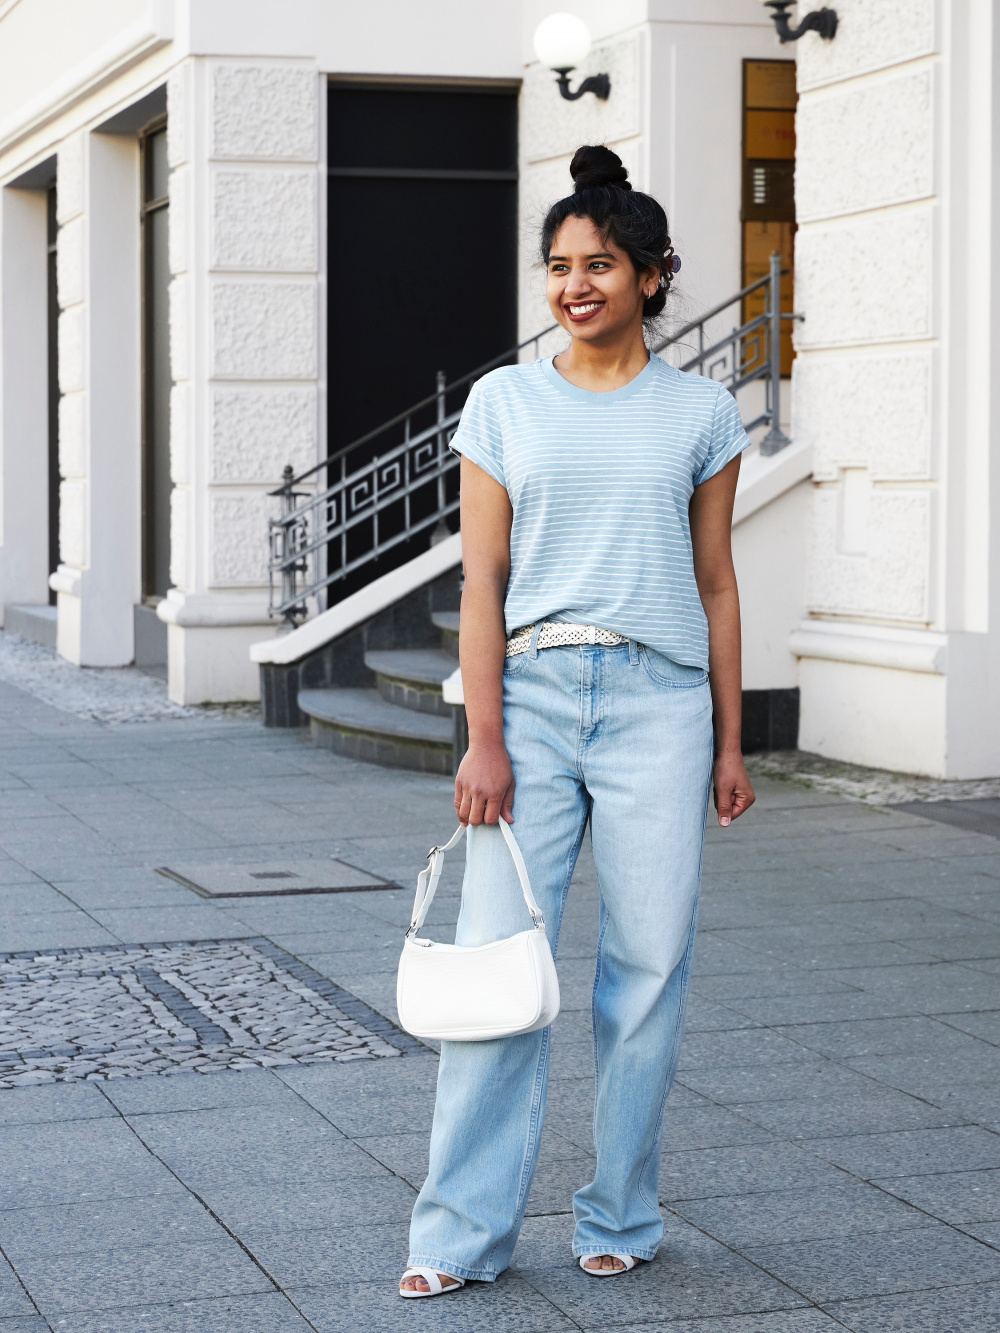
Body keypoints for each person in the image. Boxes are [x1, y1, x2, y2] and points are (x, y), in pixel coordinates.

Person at [398, 144, 755, 1299]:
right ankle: (458, 1236)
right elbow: (483, 585)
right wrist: (483, 735)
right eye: (558, 266)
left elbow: (715, 582)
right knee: (500, 969)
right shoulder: (503, 401)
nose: (573, 285)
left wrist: (729, 739)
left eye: (598, 263)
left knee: (647, 971)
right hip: (535, 704)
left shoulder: (702, 410)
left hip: (660, 704)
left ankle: (620, 1212)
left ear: (652, 276)